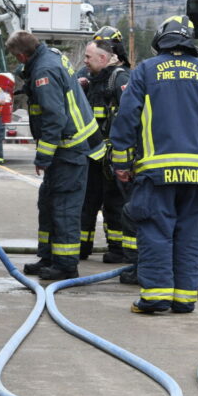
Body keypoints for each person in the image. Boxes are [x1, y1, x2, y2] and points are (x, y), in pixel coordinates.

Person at [109, 16, 198, 314]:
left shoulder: (145, 71)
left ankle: (155, 298)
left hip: (157, 174)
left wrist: (121, 162)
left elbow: (126, 117)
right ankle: (184, 299)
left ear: (160, 40)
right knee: (191, 237)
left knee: (156, 233)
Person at [7, 31, 101, 280]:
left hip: (68, 150)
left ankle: (66, 264)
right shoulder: (50, 57)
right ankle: (48, 257)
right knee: (48, 202)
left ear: (21, 54)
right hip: (65, 148)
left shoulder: (43, 72)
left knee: (64, 207)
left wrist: (43, 157)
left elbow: (54, 117)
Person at [78, 34, 131, 262]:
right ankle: (81, 246)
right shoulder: (90, 78)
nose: (85, 61)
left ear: (104, 57)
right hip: (91, 155)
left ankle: (118, 249)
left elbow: (129, 117)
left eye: (89, 57)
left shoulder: (119, 79)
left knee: (114, 203)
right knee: (87, 202)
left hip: (110, 155)